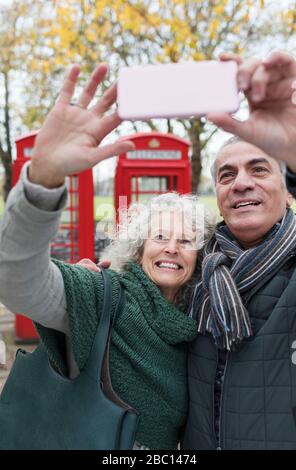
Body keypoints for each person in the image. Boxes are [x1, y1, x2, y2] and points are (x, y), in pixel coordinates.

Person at [0, 64, 213, 450]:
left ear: (200, 256)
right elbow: (16, 281)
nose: (171, 247)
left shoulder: (202, 324)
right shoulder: (101, 295)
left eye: (186, 240)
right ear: (138, 247)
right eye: (160, 236)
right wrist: (43, 181)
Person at [182, 51, 296, 450]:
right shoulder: (190, 270)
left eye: (260, 169)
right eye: (226, 175)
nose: (241, 183)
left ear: (288, 193)